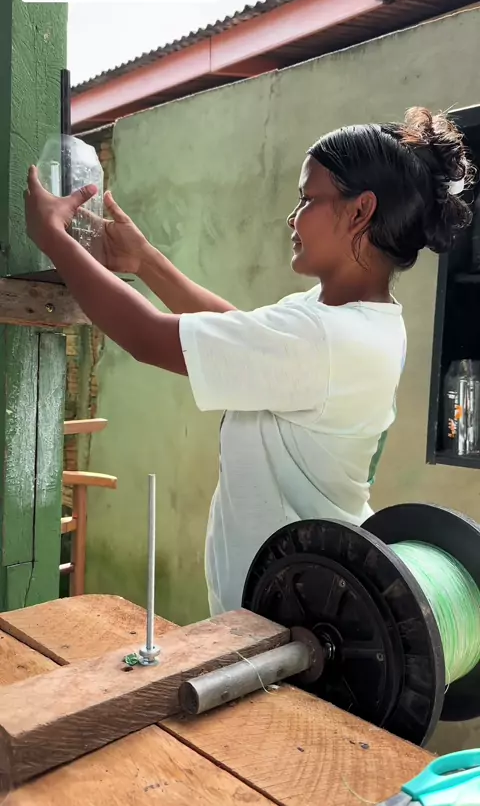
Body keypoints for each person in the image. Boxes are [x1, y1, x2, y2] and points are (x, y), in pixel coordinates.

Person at [24, 106, 473, 616]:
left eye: (308, 199)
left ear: (359, 211)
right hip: (307, 595)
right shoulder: (353, 320)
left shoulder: (325, 338)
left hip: (296, 615)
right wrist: (144, 260)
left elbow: (148, 338)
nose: (293, 217)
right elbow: (239, 332)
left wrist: (53, 238)